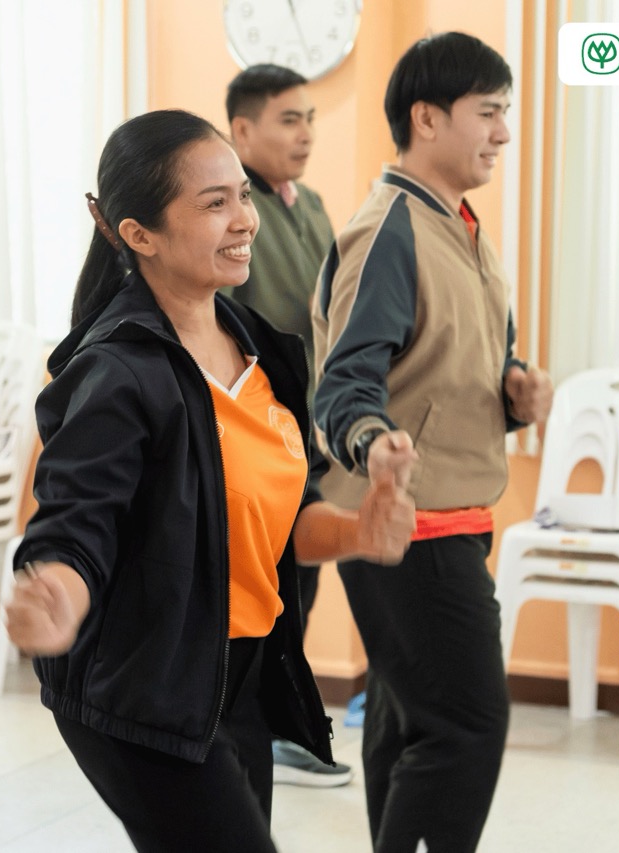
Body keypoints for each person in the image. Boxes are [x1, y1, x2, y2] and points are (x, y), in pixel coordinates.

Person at [3, 109, 417, 853]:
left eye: (242, 196)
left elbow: (282, 517)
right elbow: (77, 519)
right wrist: (60, 590)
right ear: (140, 235)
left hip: (239, 672)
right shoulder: (117, 371)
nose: (244, 220)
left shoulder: (257, 348)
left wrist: (360, 531)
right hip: (145, 686)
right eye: (214, 203)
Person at [312, 32, 554, 853]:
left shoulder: (462, 227)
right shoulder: (390, 229)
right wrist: (373, 441)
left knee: (410, 724)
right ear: (427, 118)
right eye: (488, 112)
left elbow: (455, 362)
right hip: (405, 524)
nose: (503, 132)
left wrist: (515, 389)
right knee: (465, 724)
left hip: (452, 513)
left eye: (505, 113)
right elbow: (344, 384)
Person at [222, 63, 348, 788]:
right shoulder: (234, 215)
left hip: (309, 426)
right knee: (268, 581)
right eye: (288, 120)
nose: (305, 135)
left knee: (301, 576)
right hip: (257, 424)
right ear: (242, 130)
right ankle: (267, 729)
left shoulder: (313, 205)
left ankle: (283, 727)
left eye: (310, 119)